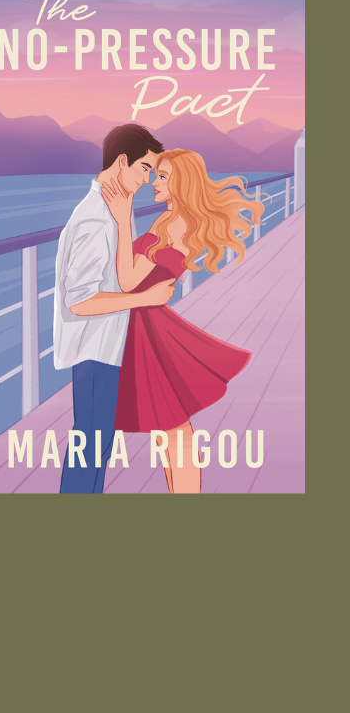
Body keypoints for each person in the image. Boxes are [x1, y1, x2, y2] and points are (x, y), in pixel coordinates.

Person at [100, 147, 260, 493]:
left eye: (162, 176)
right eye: (155, 175)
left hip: (146, 327)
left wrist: (123, 217)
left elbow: (128, 281)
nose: (154, 182)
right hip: (143, 321)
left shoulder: (173, 224)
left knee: (172, 427)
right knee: (170, 426)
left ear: (182, 183)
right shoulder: (172, 220)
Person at [52, 124, 176, 493]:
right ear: (122, 161)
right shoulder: (96, 219)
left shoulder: (114, 209)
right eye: (144, 168)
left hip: (104, 347)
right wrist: (145, 299)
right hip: (94, 351)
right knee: (90, 448)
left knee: (95, 446)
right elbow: (80, 300)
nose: (146, 179)